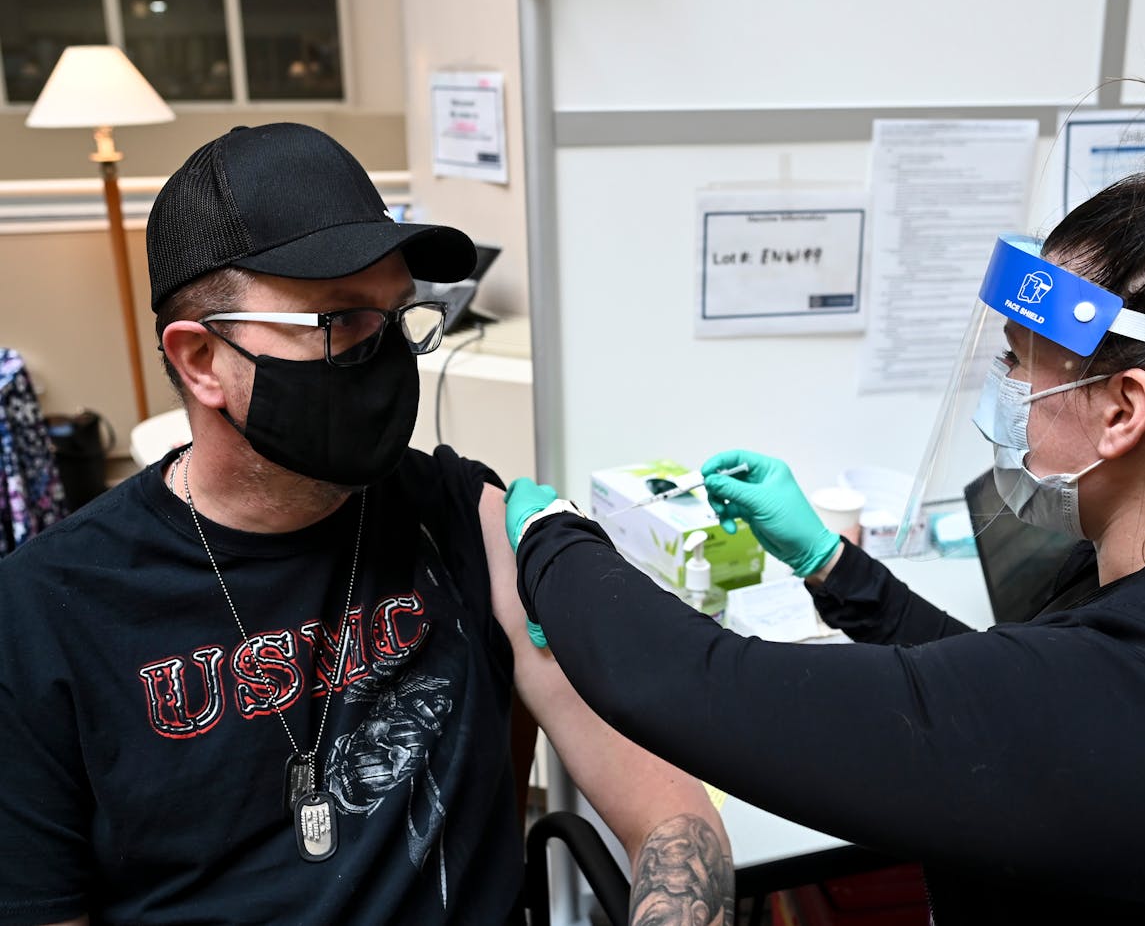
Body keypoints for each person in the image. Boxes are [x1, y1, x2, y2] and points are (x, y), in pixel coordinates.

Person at [501, 59, 1145, 921]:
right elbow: (998, 703)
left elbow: (702, 688)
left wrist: (547, 536)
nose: (1009, 392)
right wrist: (832, 565)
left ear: (1123, 411)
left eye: (1023, 364)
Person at [0, 123, 733, 925]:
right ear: (202, 360)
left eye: (395, 315)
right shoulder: (46, 614)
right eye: (339, 320)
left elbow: (674, 816)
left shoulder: (463, 516)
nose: (384, 355)